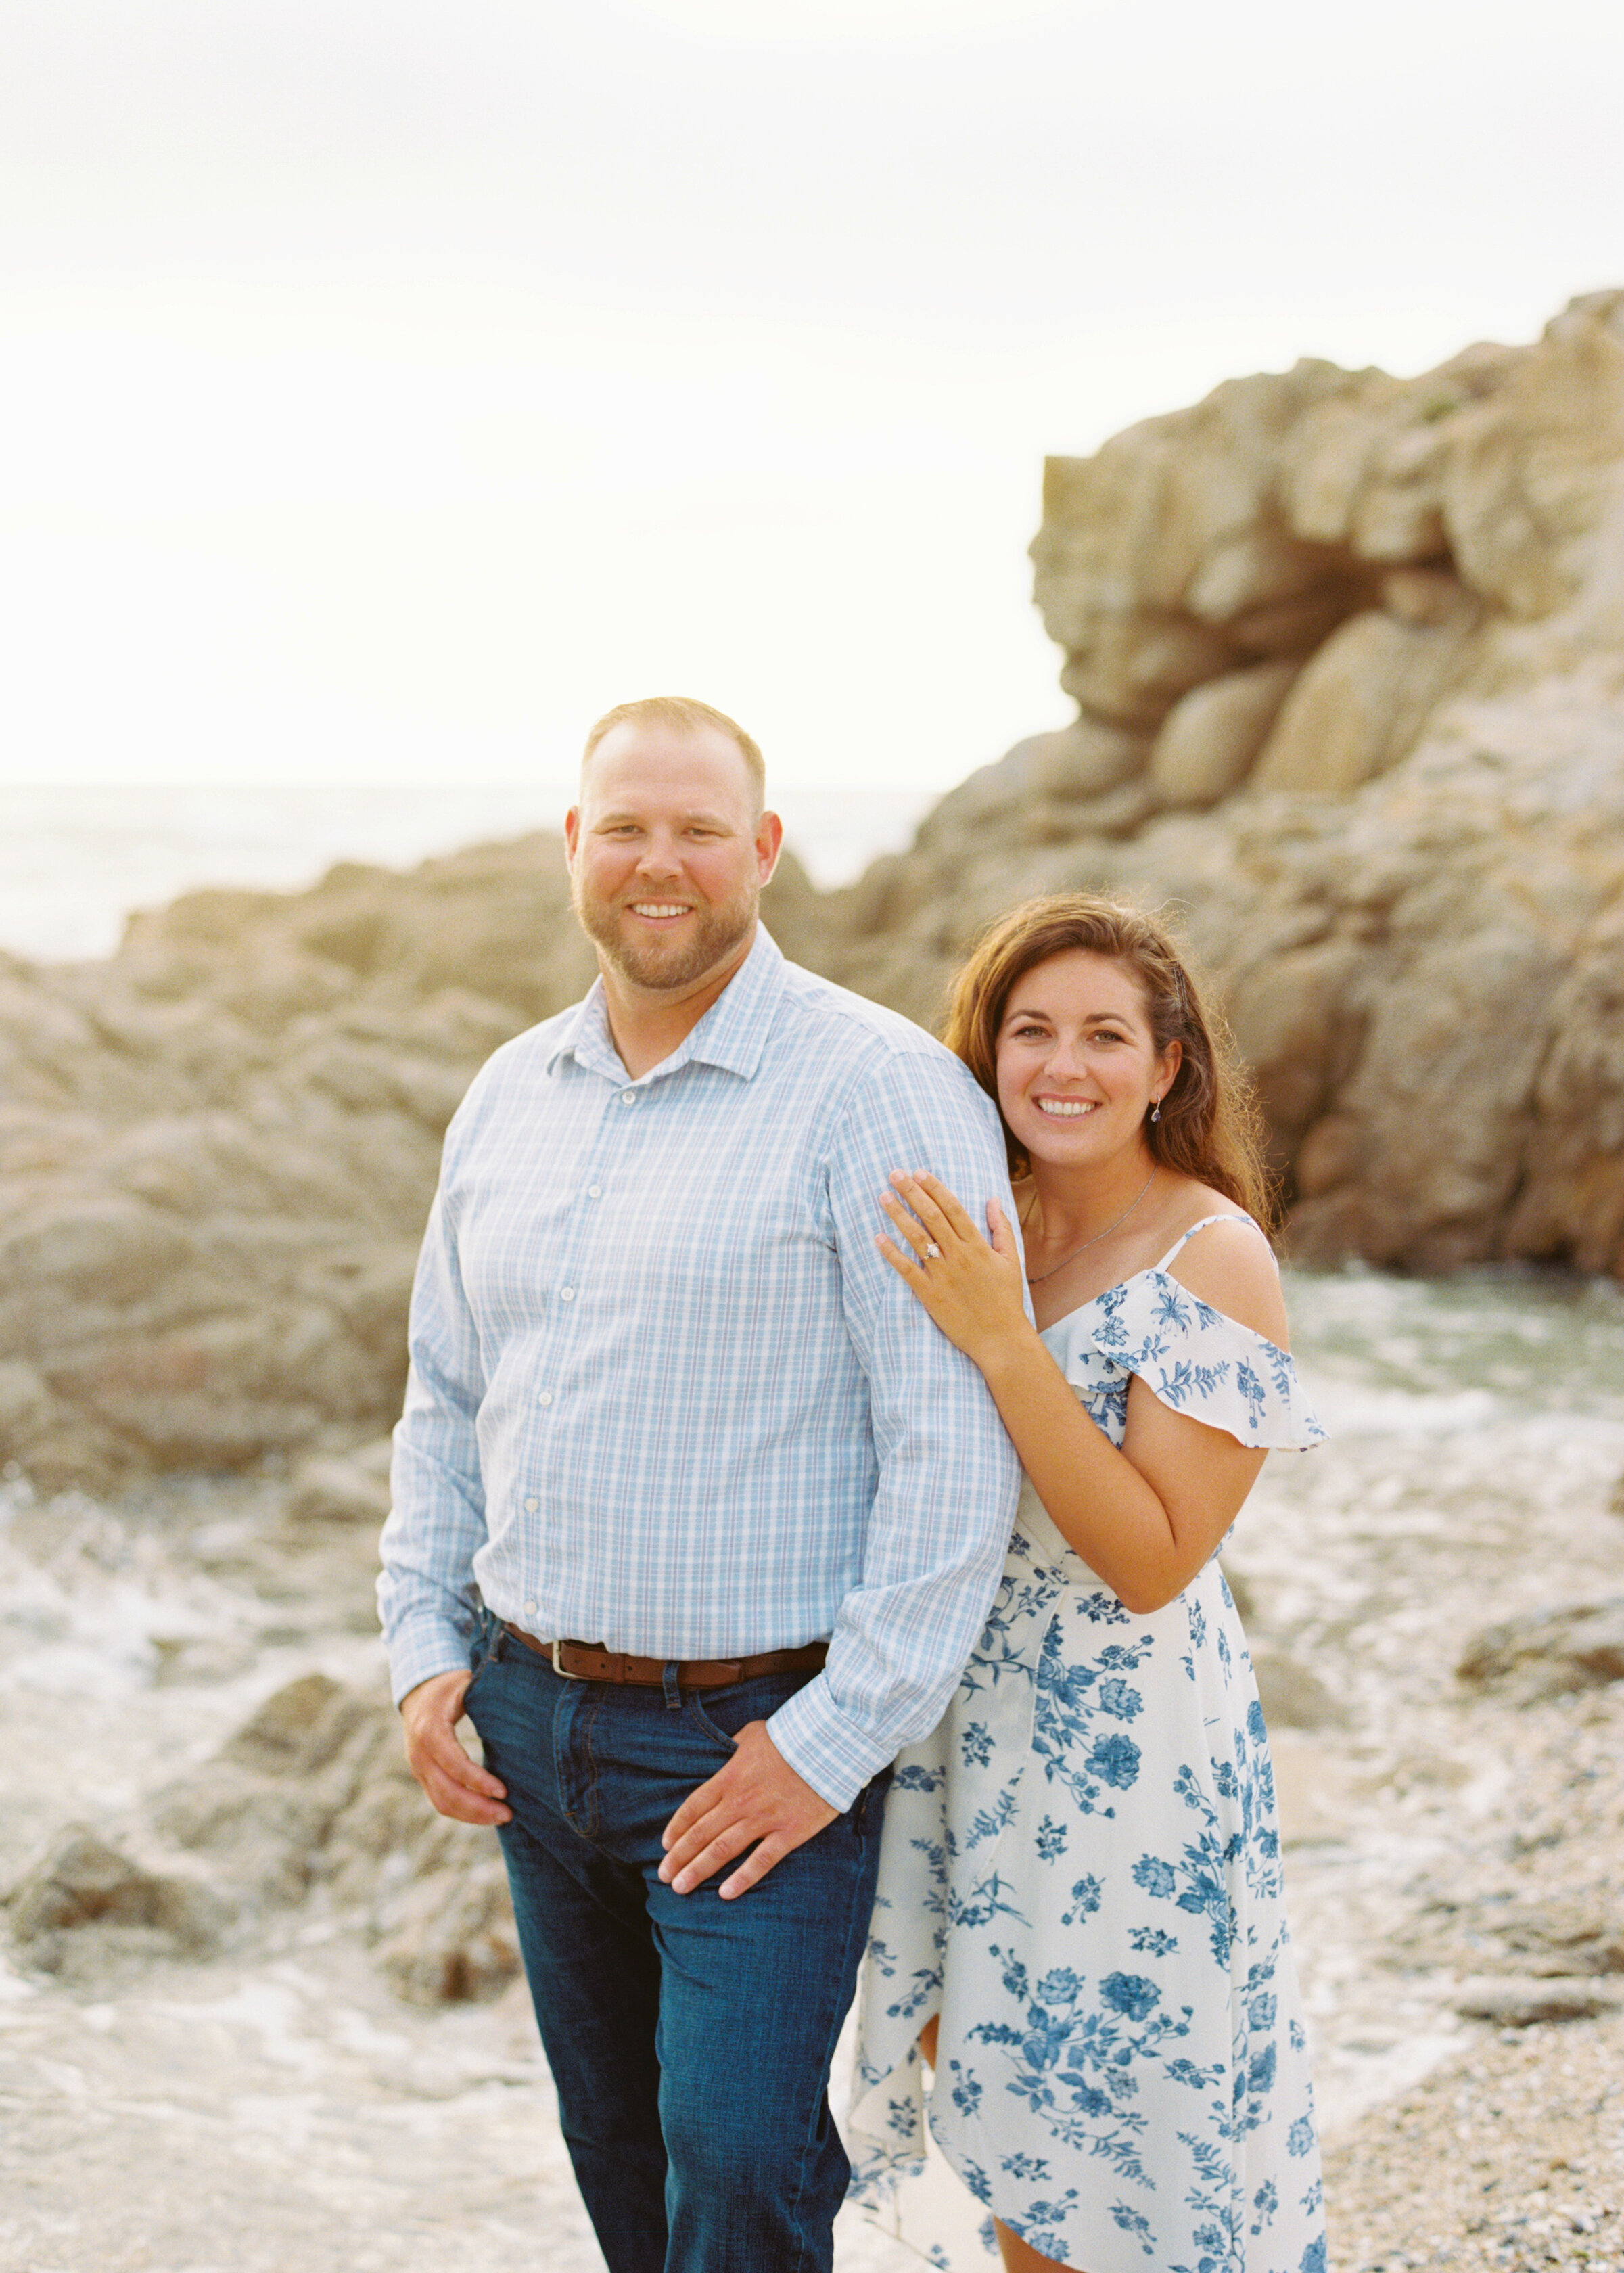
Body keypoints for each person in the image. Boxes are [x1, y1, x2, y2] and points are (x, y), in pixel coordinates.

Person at [375, 695, 1021, 2273]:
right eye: (627, 829)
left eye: (698, 831)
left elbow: (954, 1450)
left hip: (753, 1746)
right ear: (575, 848)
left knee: (737, 2175)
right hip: (527, 1728)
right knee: (620, 2164)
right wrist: (421, 1654)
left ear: (765, 850)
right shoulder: (506, 1094)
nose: (659, 864)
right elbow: (445, 1399)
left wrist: (826, 1746)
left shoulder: (874, 1090)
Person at [847, 893, 1328, 2273]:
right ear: (985, 1055)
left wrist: (1006, 1346)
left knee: (1099, 2149)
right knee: (992, 2123)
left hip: (1118, 1758)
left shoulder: (1211, 1253)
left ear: (1166, 1066)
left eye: (1104, 1036)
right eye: (1030, 1031)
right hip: (949, 1730)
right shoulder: (981, 1221)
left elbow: (1150, 1559)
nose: (1064, 1067)